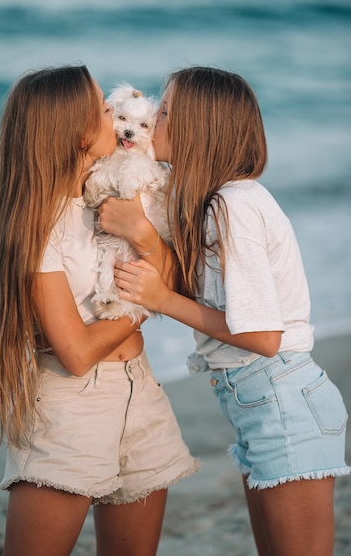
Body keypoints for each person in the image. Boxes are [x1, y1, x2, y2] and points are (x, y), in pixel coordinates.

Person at [99, 66, 351, 556]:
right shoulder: (220, 201)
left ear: (200, 129)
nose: (155, 119)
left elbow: (262, 336)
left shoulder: (230, 206)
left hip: (281, 401)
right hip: (264, 402)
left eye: (166, 113)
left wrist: (161, 300)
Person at [0, 65, 198, 556]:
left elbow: (181, 280)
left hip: (141, 389)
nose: (113, 114)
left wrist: (146, 238)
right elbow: (75, 352)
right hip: (70, 407)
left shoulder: (113, 195)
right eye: (101, 108)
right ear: (74, 131)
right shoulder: (39, 226)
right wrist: (147, 302)